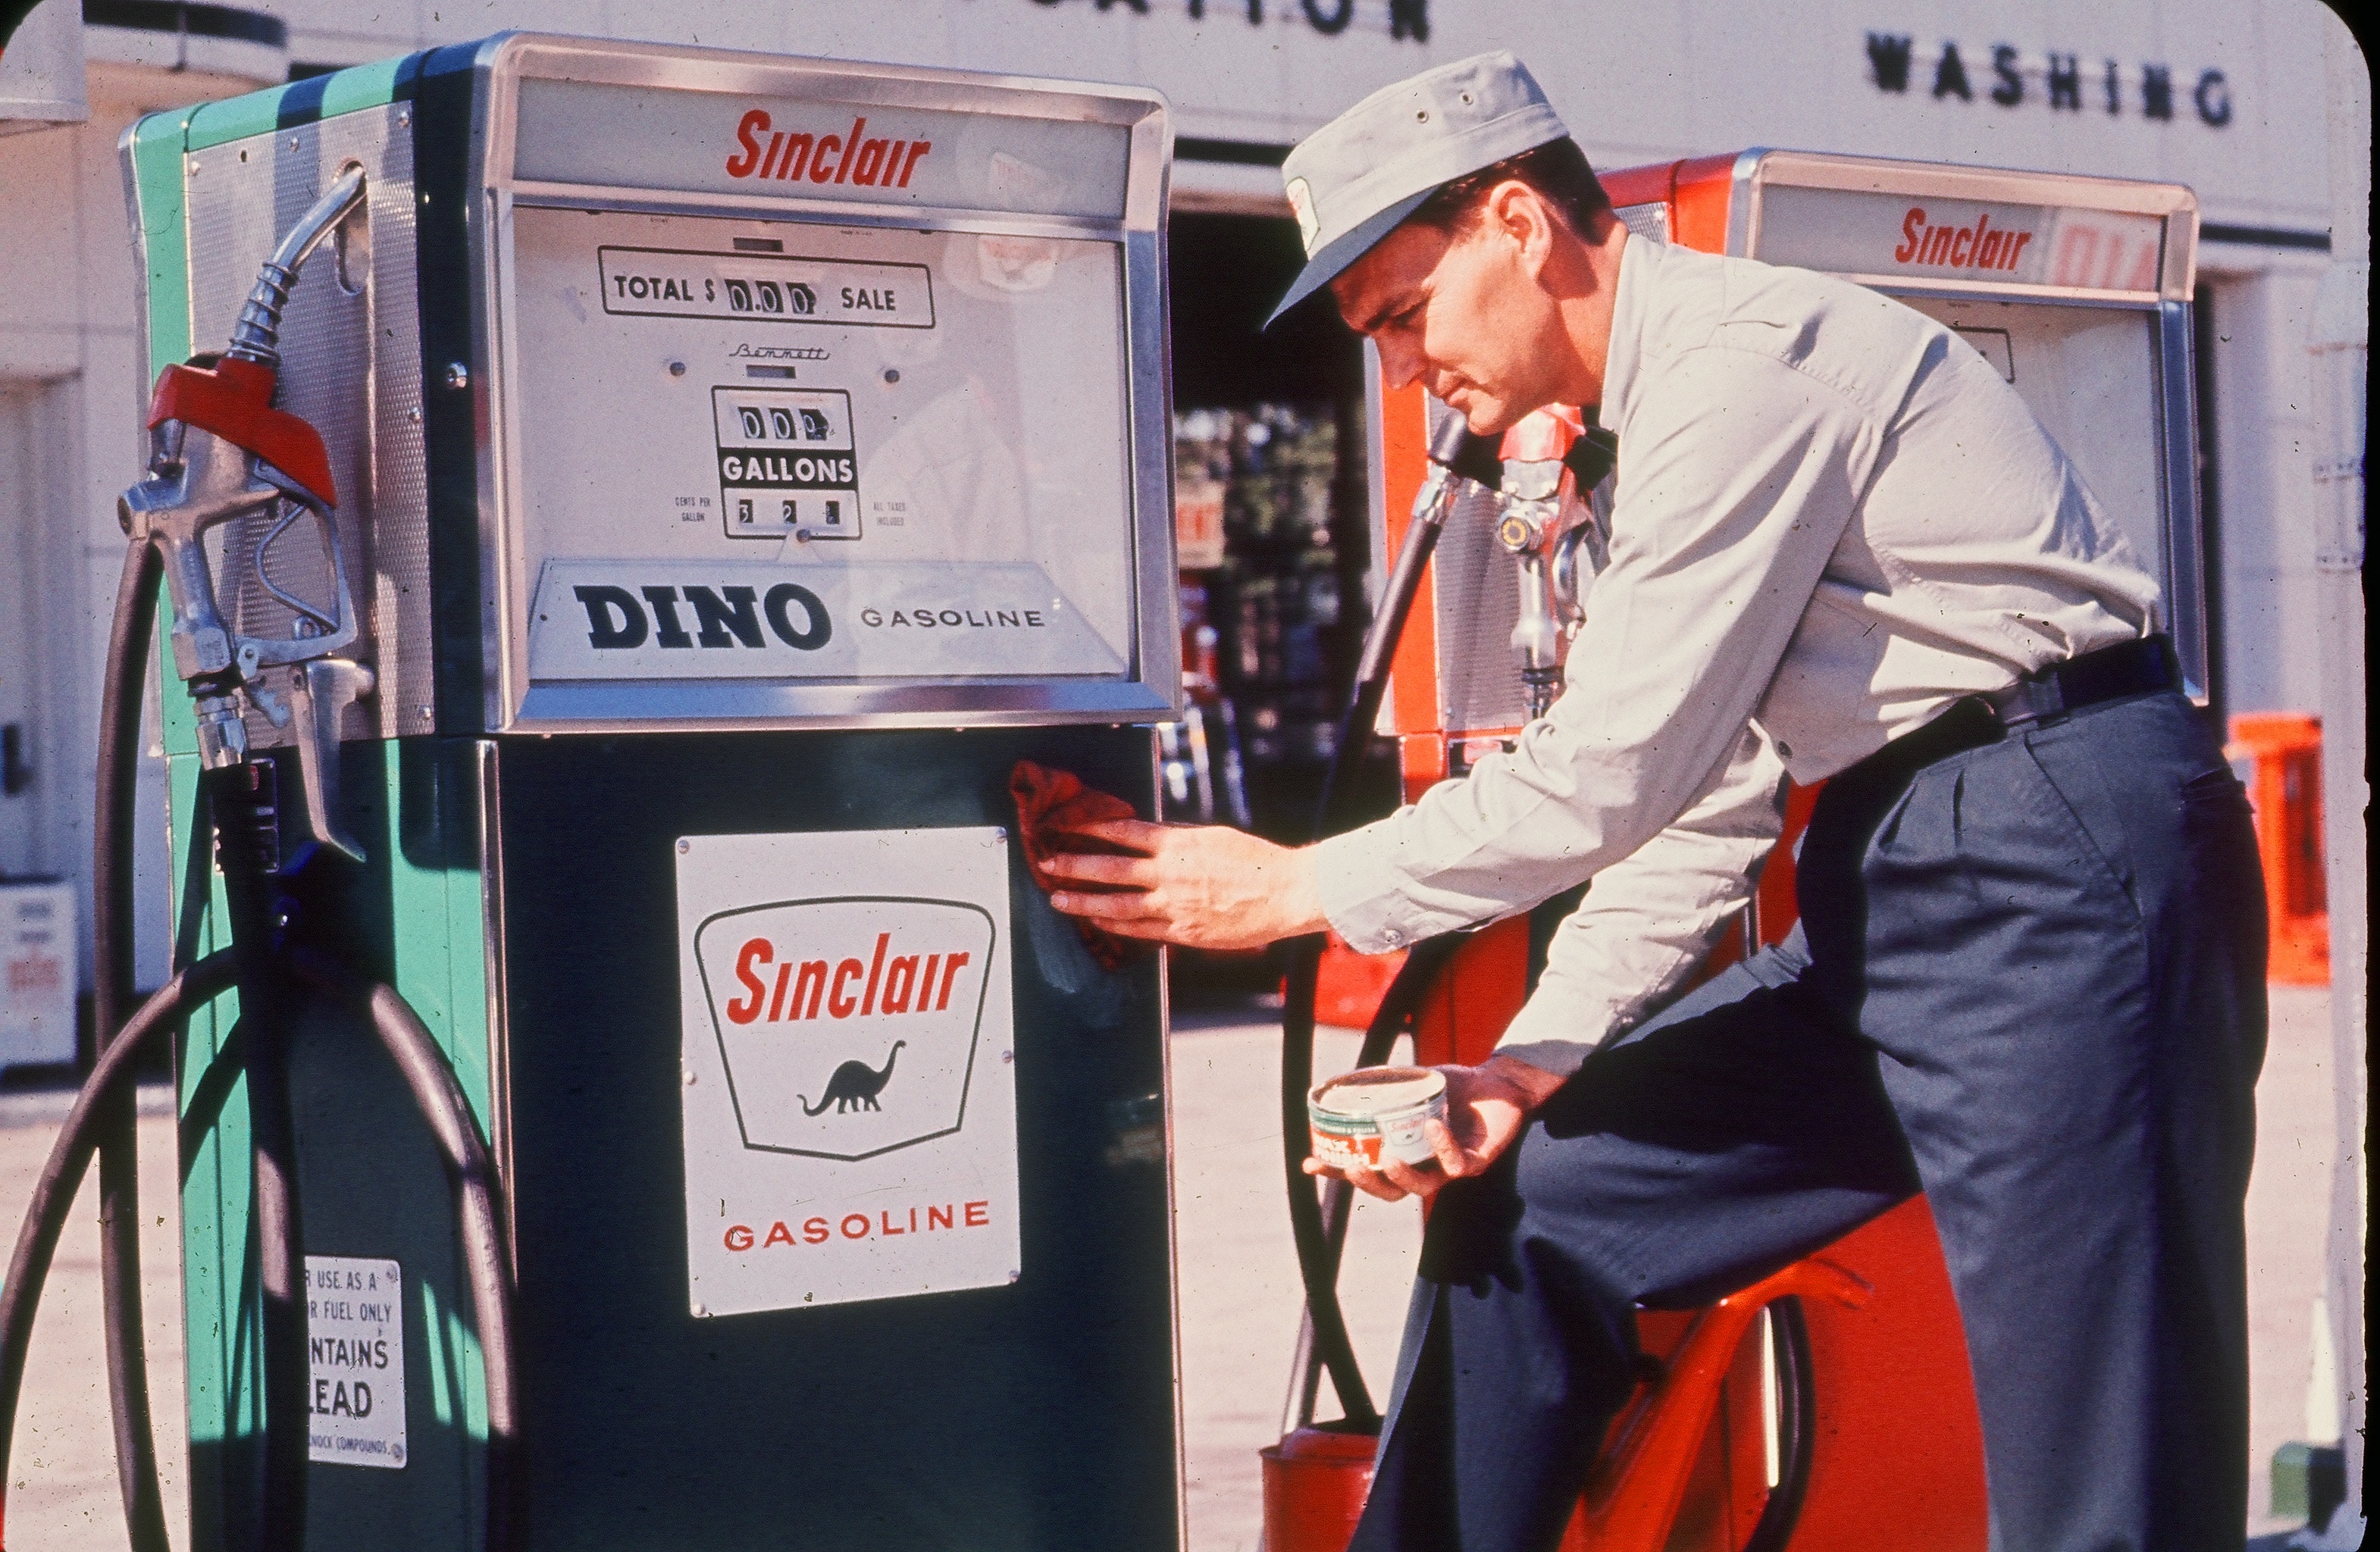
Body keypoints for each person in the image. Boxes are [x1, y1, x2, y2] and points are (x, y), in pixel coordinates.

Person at [1047, 51, 2266, 1552]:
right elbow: (1705, 783)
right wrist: (1532, 1065)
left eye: (1404, 314)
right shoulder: (1646, 437)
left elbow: (1611, 768)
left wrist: (1293, 889)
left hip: (2053, 852)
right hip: (1896, 868)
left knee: (2102, 1456)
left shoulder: (1737, 370)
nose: (1403, 370)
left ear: (1515, 219)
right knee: (1546, 1200)